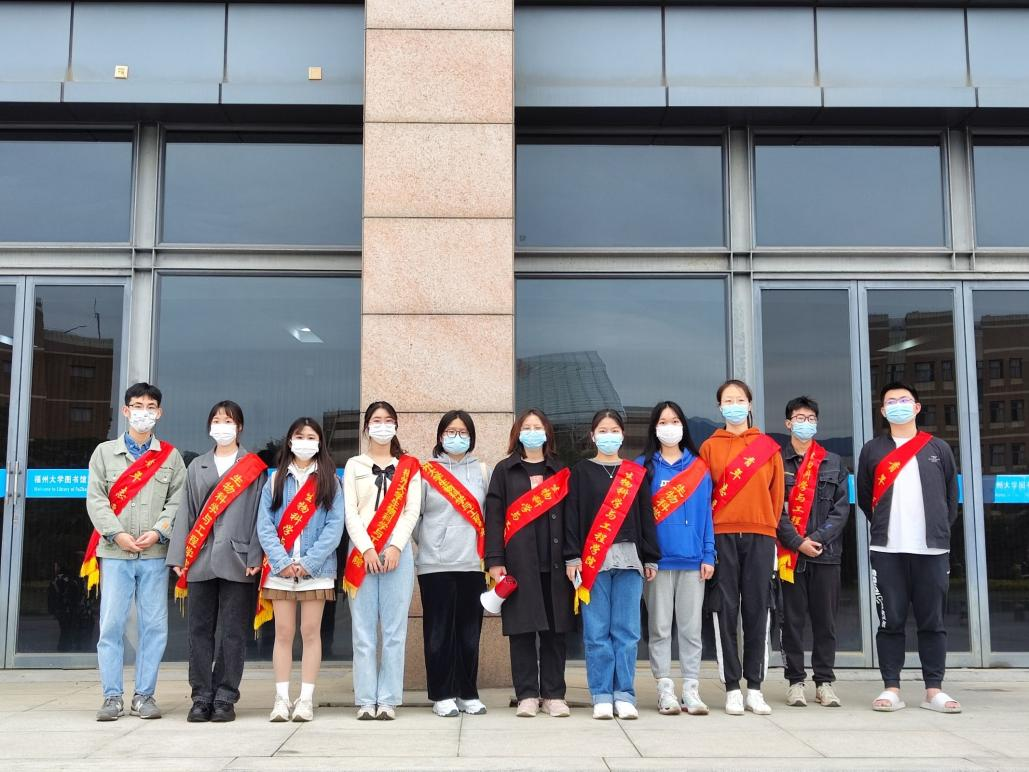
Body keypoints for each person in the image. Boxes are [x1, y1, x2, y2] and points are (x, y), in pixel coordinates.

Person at [84, 382, 187, 721]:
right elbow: (96, 499)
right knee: (111, 625)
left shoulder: (170, 457)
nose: (144, 412)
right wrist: (117, 534)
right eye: (138, 406)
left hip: (155, 554)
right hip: (115, 553)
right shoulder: (104, 453)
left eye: (151, 406)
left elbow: (178, 501)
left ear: (160, 413)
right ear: (126, 411)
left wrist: (159, 530)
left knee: (154, 626)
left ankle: (144, 695)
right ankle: (111, 696)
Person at [857, 382, 961, 714]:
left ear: (916, 407)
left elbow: (951, 498)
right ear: (883, 411)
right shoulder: (872, 450)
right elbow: (865, 498)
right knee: (890, 620)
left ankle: (933, 690)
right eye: (891, 401)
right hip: (888, 550)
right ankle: (891, 687)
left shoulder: (938, 448)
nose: (898, 405)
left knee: (933, 621)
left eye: (904, 400)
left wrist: (938, 530)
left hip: (931, 550)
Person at [167, 400, 267, 723]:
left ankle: (225, 695)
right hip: (200, 557)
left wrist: (256, 555)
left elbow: (260, 516)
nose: (222, 426)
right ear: (209, 426)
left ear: (240, 427)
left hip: (239, 558)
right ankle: (201, 695)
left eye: (229, 420)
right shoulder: (197, 465)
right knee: (198, 629)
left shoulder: (253, 468)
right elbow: (185, 512)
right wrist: (179, 555)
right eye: (217, 420)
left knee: (233, 631)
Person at [565, 409, 660, 720]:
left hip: (630, 560)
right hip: (593, 562)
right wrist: (572, 556)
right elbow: (571, 516)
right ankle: (602, 693)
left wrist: (650, 556)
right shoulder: (581, 471)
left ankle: (625, 694)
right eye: (602, 431)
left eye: (614, 430)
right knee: (596, 632)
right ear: (593, 436)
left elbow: (646, 516)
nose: (609, 436)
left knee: (627, 631)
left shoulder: (635, 473)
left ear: (622, 435)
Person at [700, 379, 785, 716]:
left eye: (739, 400)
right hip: (721, 535)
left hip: (760, 535)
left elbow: (777, 495)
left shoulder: (768, 447)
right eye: (727, 400)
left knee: (758, 610)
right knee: (724, 610)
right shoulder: (710, 447)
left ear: (749, 404)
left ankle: (756, 687)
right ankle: (732, 687)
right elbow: (703, 494)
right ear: (719, 407)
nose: (734, 405)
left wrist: (766, 526)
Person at [485, 408, 574, 718]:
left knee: (555, 632)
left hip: (556, 565)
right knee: (522, 632)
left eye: (538, 427)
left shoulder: (560, 470)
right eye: (527, 427)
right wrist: (495, 560)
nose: (533, 432)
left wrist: (573, 556)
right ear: (517, 434)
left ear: (547, 433)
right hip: (518, 564)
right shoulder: (504, 470)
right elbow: (494, 518)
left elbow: (571, 519)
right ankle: (526, 695)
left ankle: (553, 695)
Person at [255, 417, 345, 722]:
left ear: (319, 443)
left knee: (310, 632)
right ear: (289, 441)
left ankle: (305, 699)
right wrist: (282, 562)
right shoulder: (275, 480)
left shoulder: (330, 481)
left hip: (316, 570)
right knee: (283, 633)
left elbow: (334, 527)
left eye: (310, 437)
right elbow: (264, 525)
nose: (304, 442)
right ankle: (281, 699)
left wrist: (308, 562)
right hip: (280, 570)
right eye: (299, 436)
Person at [343, 401, 422, 720]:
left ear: (396, 426)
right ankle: (365, 699)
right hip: (361, 553)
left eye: (388, 420)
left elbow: (411, 511)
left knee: (394, 631)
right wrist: (366, 548)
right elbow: (350, 512)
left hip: (396, 554)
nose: (382, 425)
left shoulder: (409, 467)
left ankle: (388, 699)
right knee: (363, 632)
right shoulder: (354, 465)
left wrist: (396, 547)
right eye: (376, 420)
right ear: (367, 427)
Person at [638, 400, 715, 716]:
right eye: (663, 422)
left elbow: (707, 516)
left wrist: (708, 554)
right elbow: (638, 519)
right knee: (659, 628)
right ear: (654, 428)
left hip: (693, 562)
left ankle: (691, 689)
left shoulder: (699, 468)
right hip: (657, 564)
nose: (669, 427)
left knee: (691, 629)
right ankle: (664, 689)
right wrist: (645, 557)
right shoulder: (643, 467)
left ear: (683, 426)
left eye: (674, 421)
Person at [775, 396, 849, 709]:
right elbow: (774, 509)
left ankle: (824, 682)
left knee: (825, 623)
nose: (805, 423)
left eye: (810, 419)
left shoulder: (833, 462)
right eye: (799, 418)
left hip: (826, 555)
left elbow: (841, 510)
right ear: (788, 423)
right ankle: (795, 682)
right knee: (791, 622)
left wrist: (816, 539)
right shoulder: (777, 462)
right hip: (790, 556)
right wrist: (797, 541)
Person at [416, 410, 490, 717]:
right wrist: (434, 542)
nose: (456, 437)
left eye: (463, 432)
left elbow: (488, 516)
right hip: (435, 565)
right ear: (440, 436)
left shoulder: (482, 471)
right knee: (438, 632)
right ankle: (442, 694)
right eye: (451, 432)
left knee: (469, 632)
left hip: (473, 564)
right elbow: (415, 517)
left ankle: (467, 692)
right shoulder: (425, 472)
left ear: (471, 437)